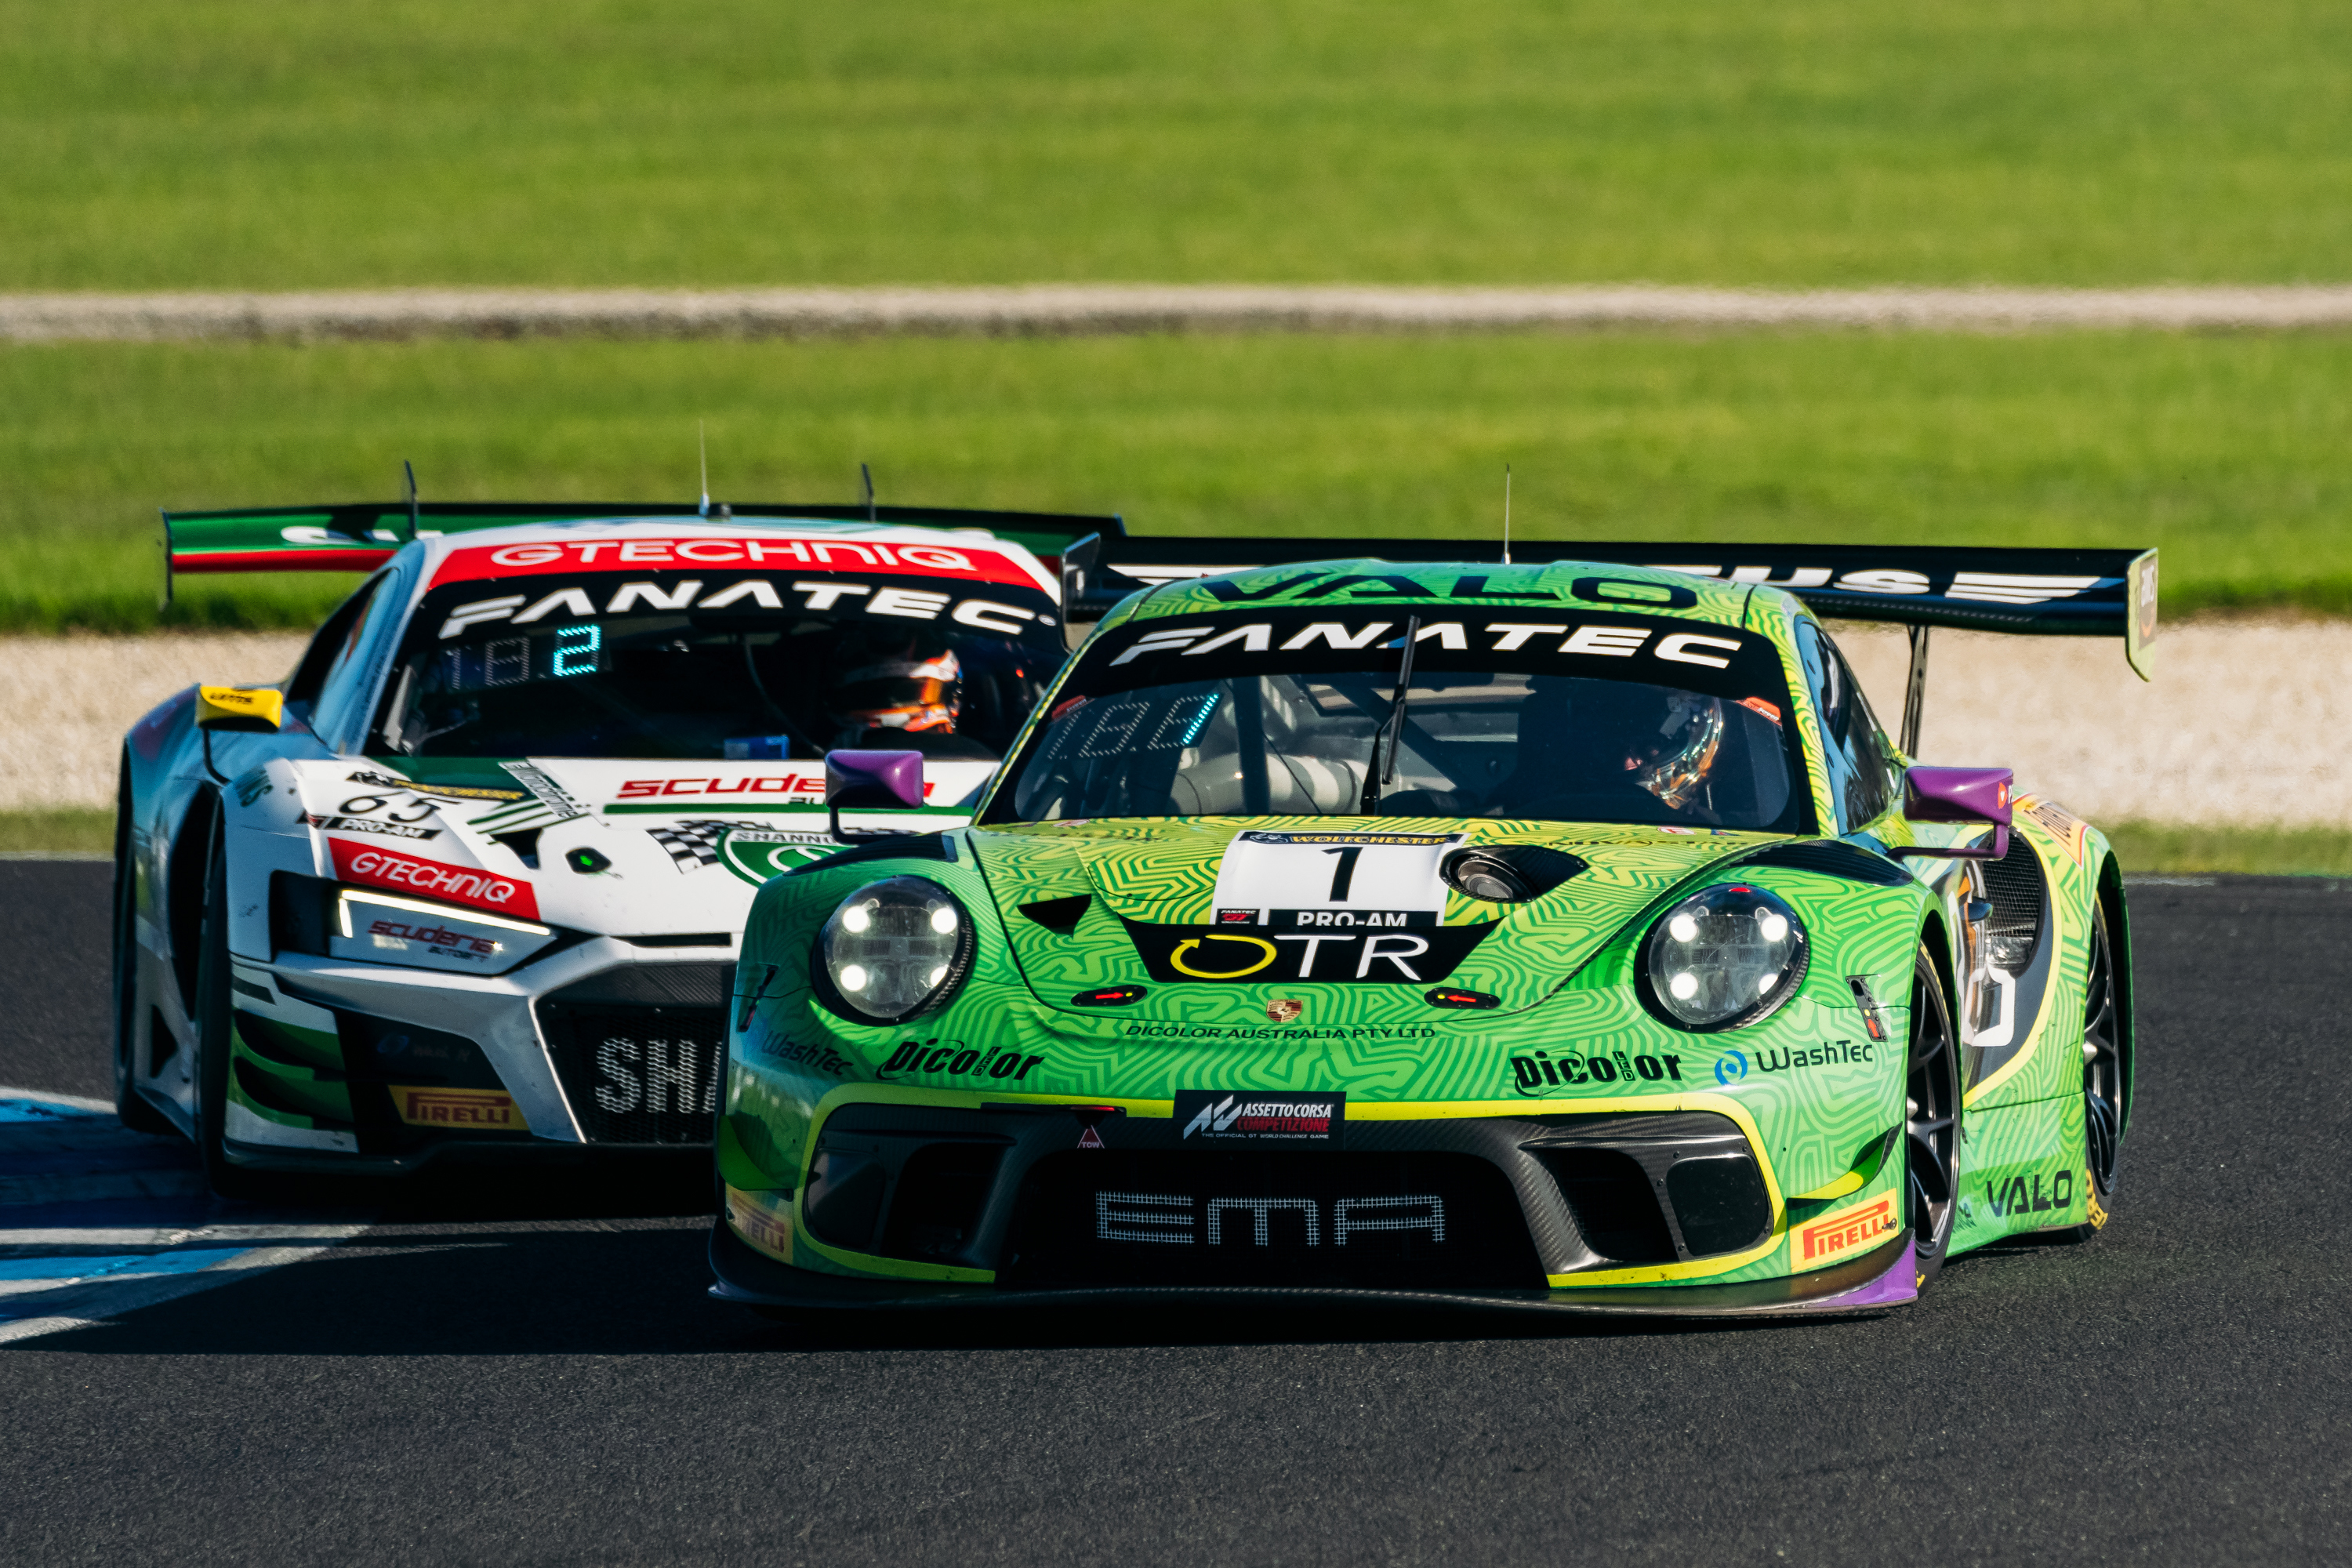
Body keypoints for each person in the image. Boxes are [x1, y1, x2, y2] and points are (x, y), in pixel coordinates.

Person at [822, 630, 998, 760]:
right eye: (871, 694)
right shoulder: (983, 763)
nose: (892, 702)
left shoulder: (979, 763)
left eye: (907, 692)